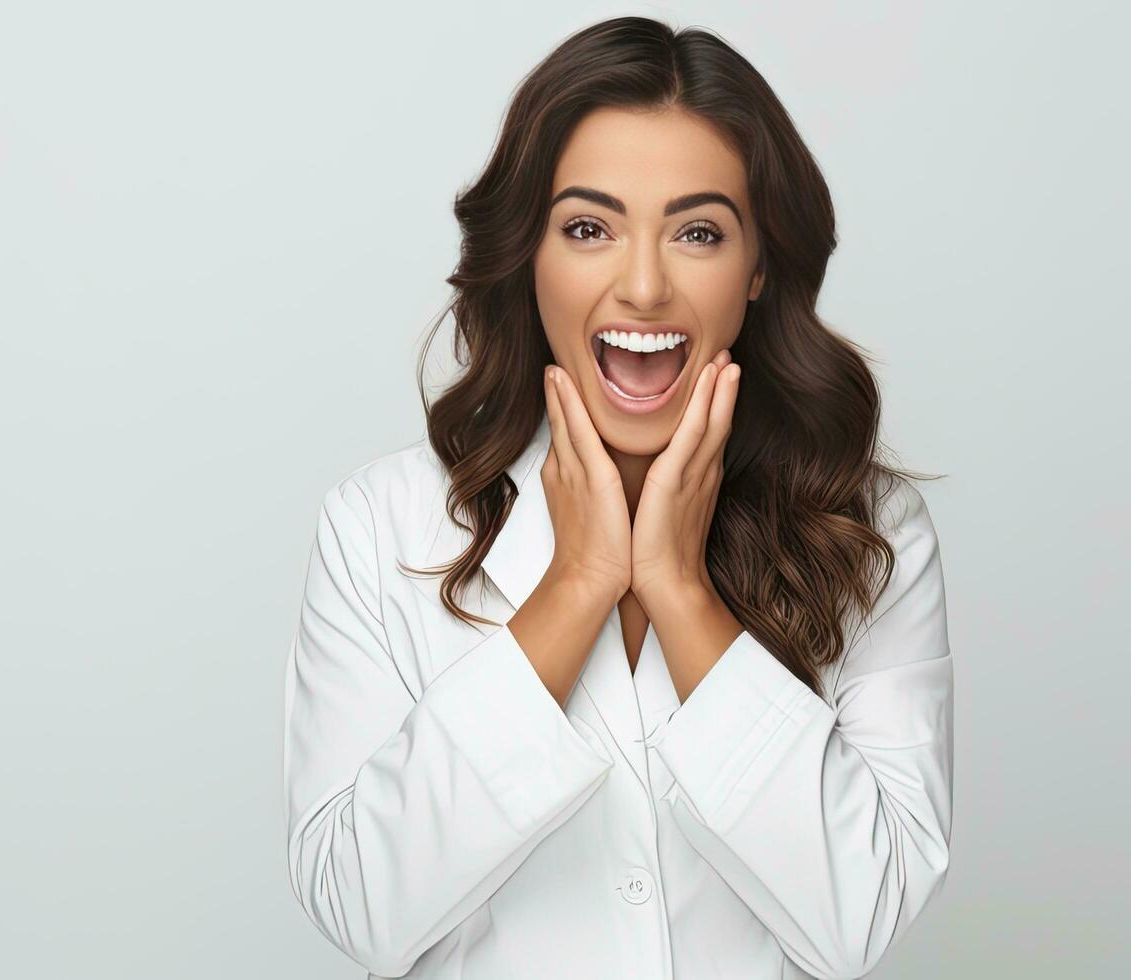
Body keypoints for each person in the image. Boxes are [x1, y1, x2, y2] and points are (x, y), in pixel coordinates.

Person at [281, 16, 953, 979]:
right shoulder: (379, 526)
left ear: (758, 265)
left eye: (698, 231)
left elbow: (863, 914)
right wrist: (581, 582)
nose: (643, 285)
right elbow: (361, 906)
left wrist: (679, 589)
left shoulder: (867, 530)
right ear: (530, 255)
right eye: (589, 228)